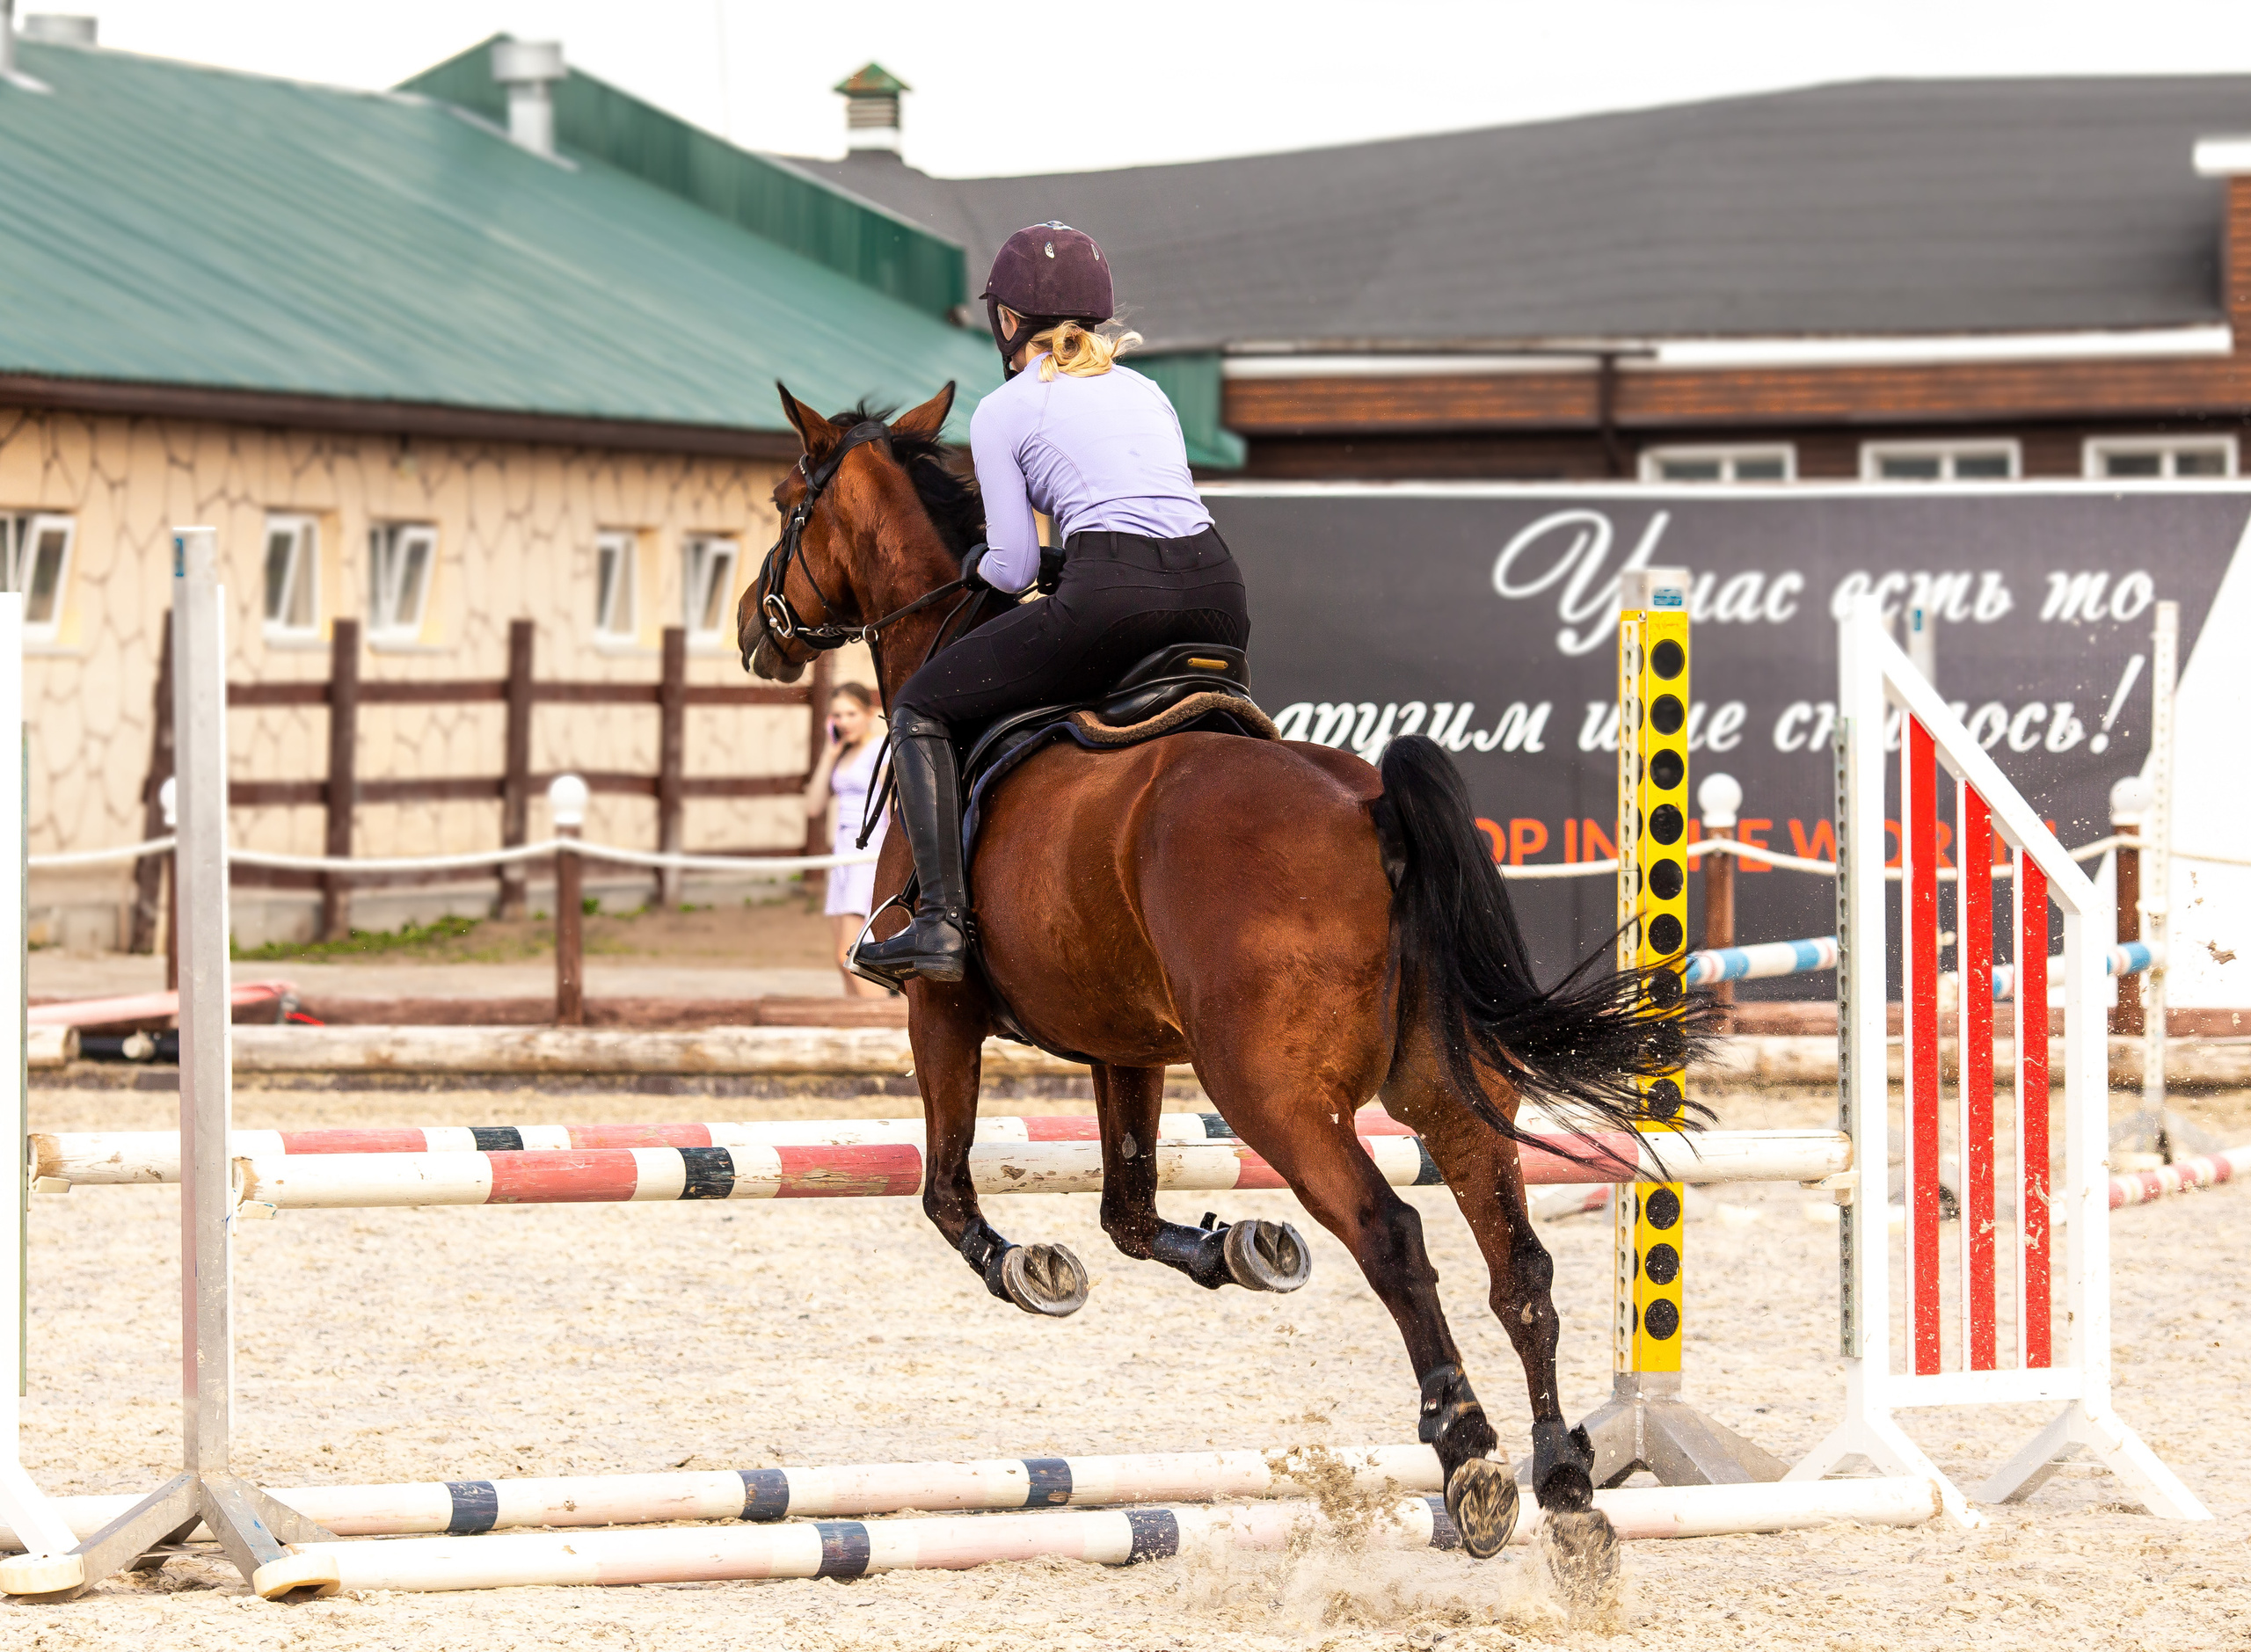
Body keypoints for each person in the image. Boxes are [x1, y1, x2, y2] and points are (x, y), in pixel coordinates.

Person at [855, 222, 1249, 986]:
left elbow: (1011, 567)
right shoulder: (1149, 390)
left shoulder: (1005, 409)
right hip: (1218, 594)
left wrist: (975, 561)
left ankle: (938, 922)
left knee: (920, 708)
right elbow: (1142, 515)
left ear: (1007, 322)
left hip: (1110, 598)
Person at [802, 681, 892, 997]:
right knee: (838, 957)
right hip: (841, 853)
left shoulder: (881, 750)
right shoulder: (842, 755)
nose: (843, 721)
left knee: (851, 953)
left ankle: (882, 1021)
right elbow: (813, 806)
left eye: (851, 713)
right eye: (837, 715)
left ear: (869, 713)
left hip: (866, 853)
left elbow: (895, 806)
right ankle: (856, 1026)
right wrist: (830, 754)